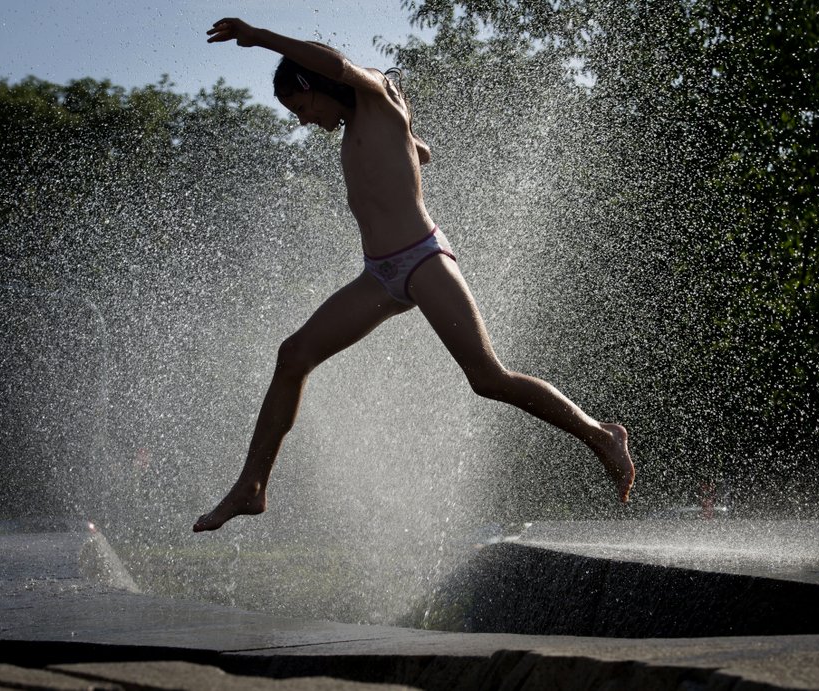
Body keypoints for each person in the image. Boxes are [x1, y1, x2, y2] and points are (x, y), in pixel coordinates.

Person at [193, 18, 635, 533]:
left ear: (313, 85)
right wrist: (412, 142)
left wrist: (260, 36)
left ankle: (600, 434)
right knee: (293, 356)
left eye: (300, 106)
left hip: (424, 259)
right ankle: (252, 485)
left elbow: (336, 65)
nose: (303, 120)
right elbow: (416, 151)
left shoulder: (375, 91)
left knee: (487, 379)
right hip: (380, 275)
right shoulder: (367, 121)